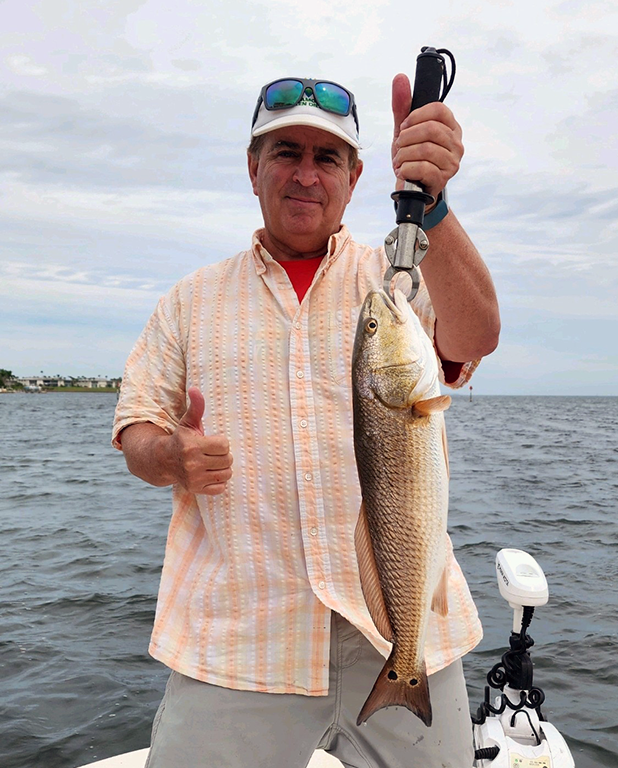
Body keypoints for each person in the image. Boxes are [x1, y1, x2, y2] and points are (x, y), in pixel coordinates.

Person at [112, 73, 500, 768]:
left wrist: (434, 206)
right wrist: (168, 455)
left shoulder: (398, 281)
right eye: (285, 152)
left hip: (401, 630)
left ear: (354, 178)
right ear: (252, 168)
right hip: (239, 637)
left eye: (327, 158)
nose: (305, 174)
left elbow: (475, 337)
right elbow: (135, 428)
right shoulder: (188, 300)